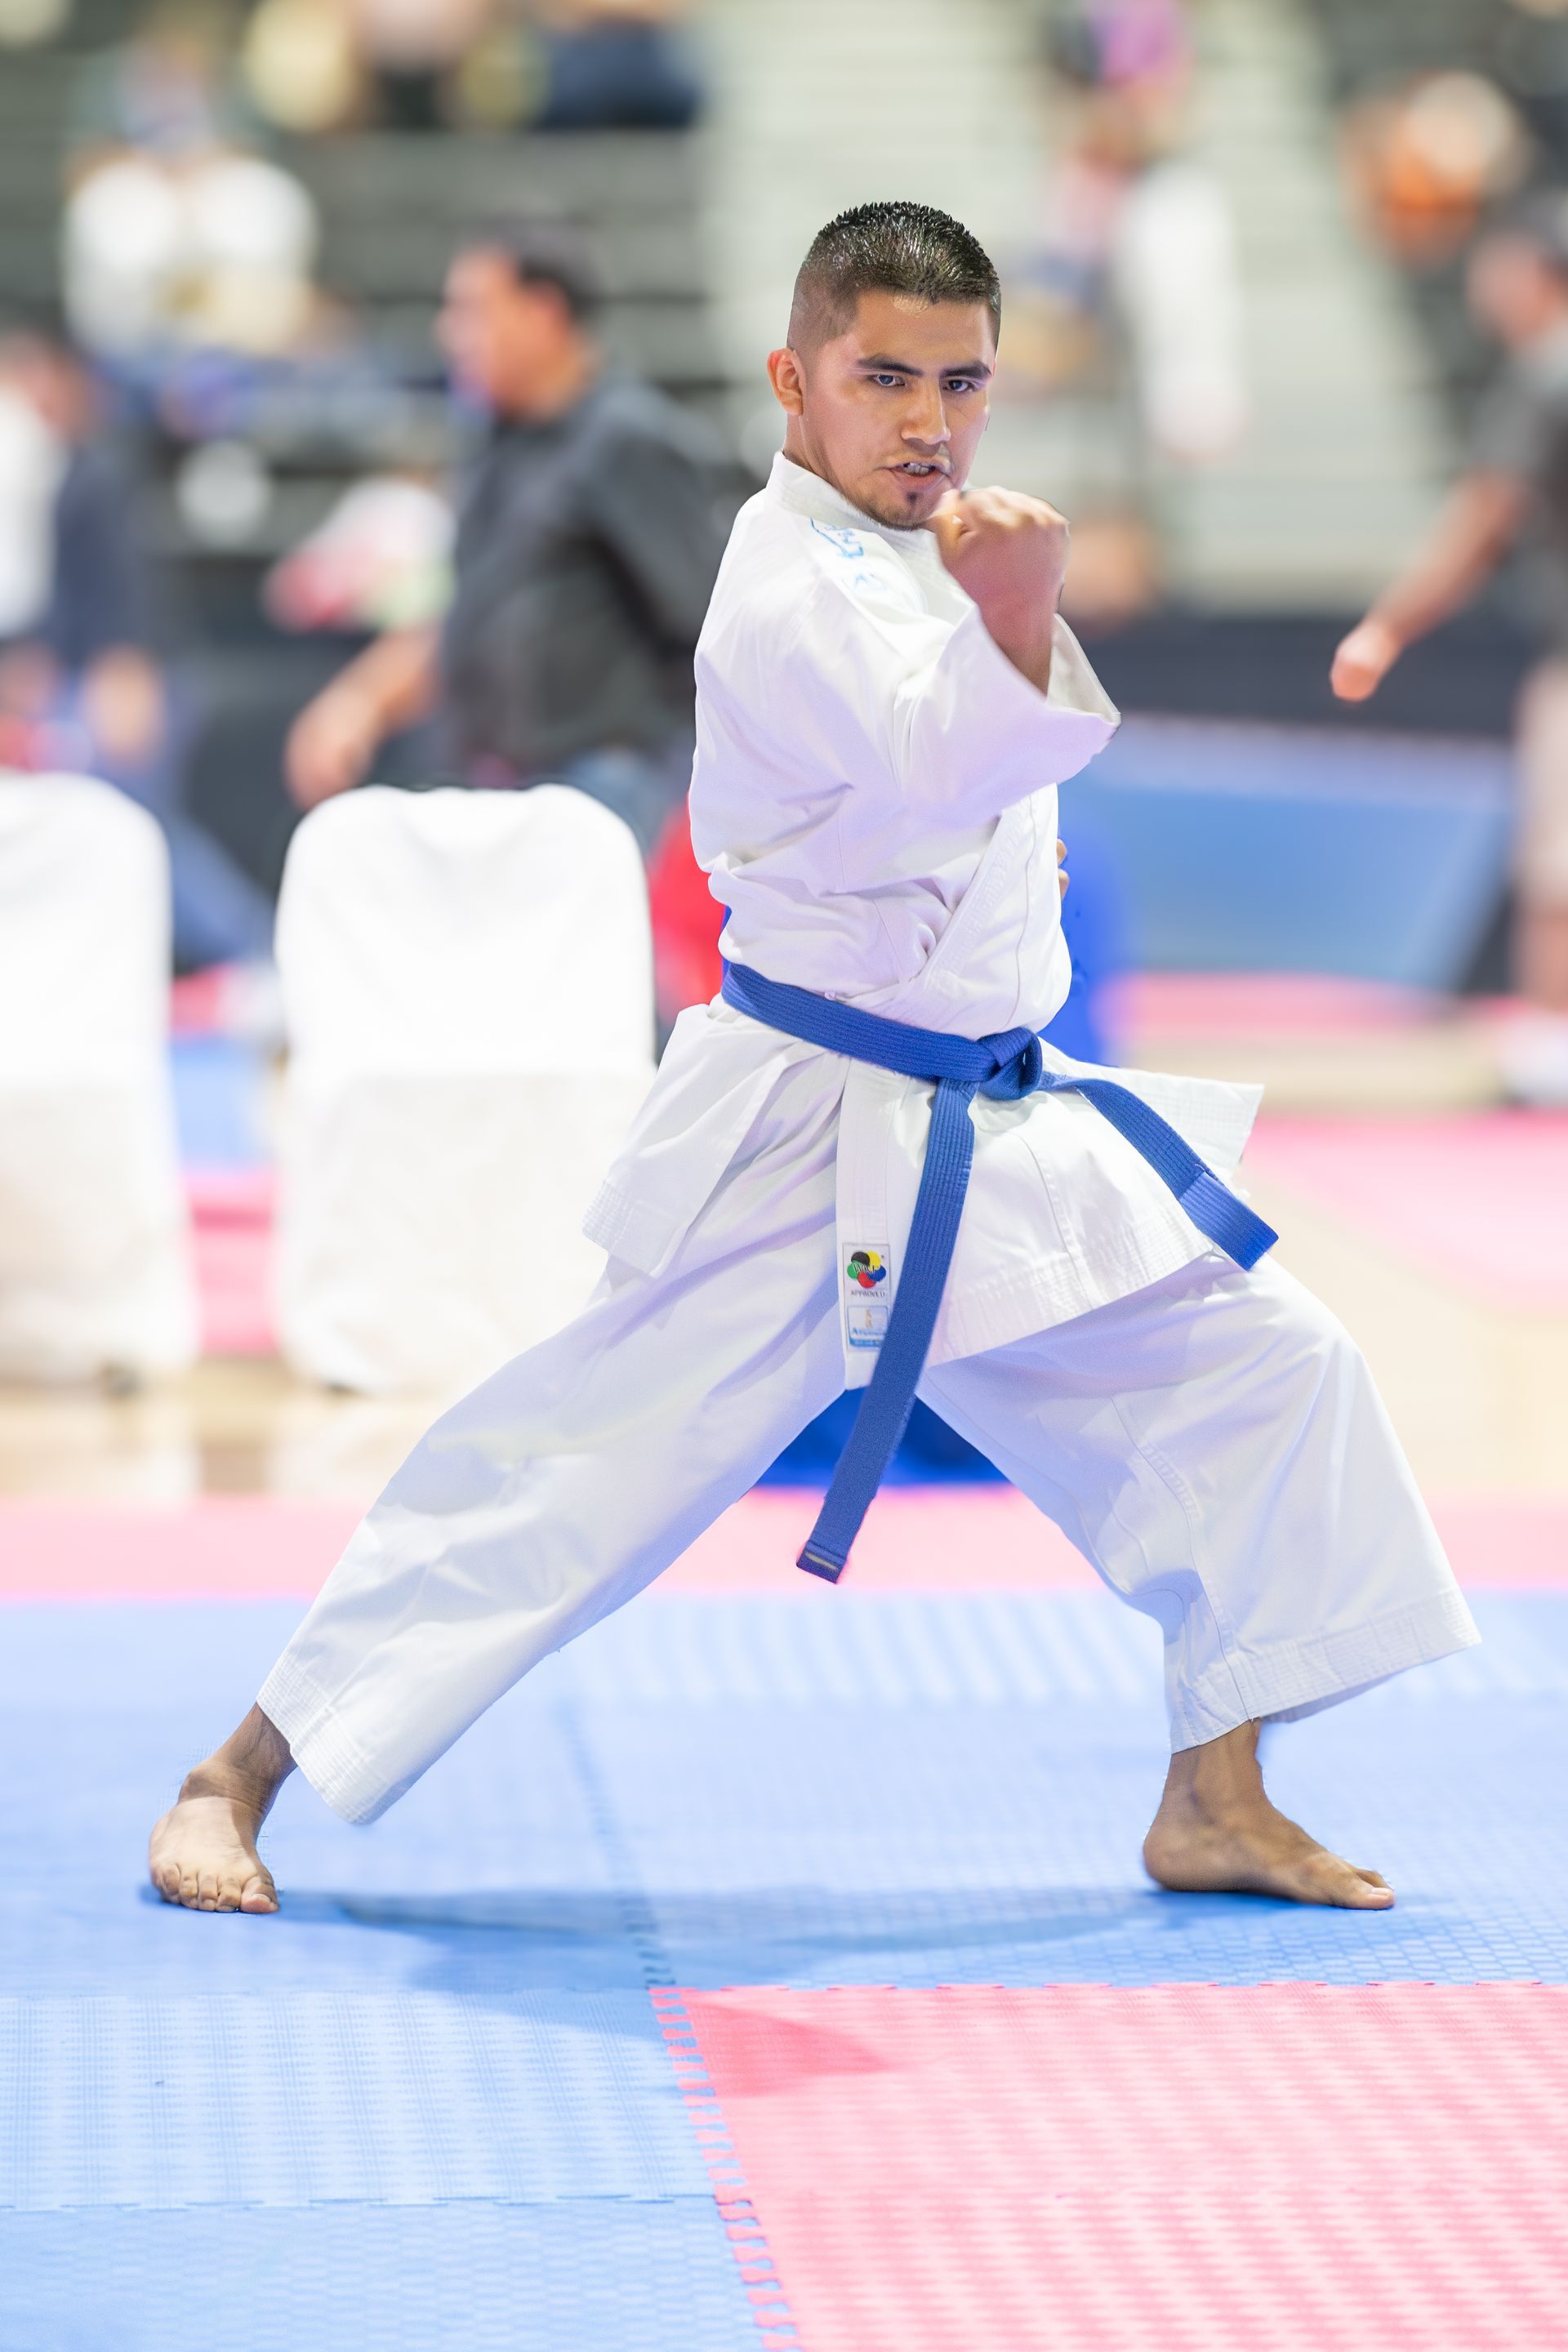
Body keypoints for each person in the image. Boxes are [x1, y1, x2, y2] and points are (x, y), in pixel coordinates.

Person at [150, 200, 1475, 1917]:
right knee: (567, 1469)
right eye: (885, 379)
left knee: (1269, 1371)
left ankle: (1218, 1795)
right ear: (794, 380)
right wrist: (1019, 618)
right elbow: (937, 761)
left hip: (990, 1121)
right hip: (808, 1139)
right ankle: (233, 1773)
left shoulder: (923, 551)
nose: (930, 422)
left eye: (963, 383)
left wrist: (1004, 611)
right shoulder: (785, 582)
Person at [283, 218, 730, 862]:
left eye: (471, 311)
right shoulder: (497, 443)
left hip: (604, 787)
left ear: (542, 313)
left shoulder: (628, 441)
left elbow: (715, 627)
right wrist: (359, 702)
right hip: (503, 787)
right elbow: (467, 610)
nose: (449, 334)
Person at [1332, 192, 1568, 1103]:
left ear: (1531, 272)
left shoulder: (1546, 368)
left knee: (1559, 859)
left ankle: (1554, 1037)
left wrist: (1387, 625)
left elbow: (1482, 519)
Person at [0, 327, 275, 972]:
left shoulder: (99, 469)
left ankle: (255, 953)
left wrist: (124, 675)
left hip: (127, 683)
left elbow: (127, 592)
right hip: (70, 688)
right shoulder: (39, 474)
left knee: (137, 833)